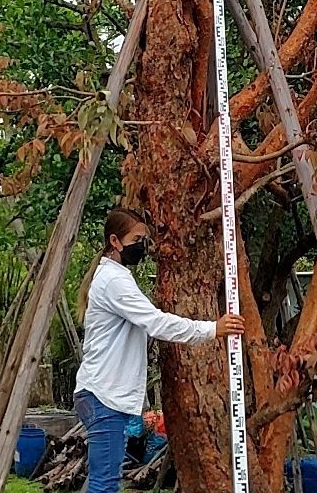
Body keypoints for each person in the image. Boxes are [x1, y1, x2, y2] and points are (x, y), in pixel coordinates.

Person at [73, 207, 245, 493]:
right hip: (103, 395)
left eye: (144, 239)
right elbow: (156, 322)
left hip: (103, 394)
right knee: (105, 484)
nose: (142, 246)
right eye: (136, 238)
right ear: (115, 242)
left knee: (106, 480)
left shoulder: (115, 276)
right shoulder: (114, 281)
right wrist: (212, 328)